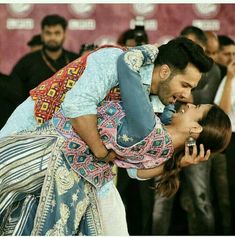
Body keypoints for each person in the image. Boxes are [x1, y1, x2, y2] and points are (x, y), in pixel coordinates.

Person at [0, 38, 213, 234]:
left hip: (83, 166)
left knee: (115, 228)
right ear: (165, 71)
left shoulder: (156, 102)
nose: (187, 95)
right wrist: (101, 152)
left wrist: (177, 162)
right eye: (185, 85)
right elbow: (78, 107)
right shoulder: (113, 59)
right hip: (35, 137)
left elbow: (133, 169)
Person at [152, 26, 223, 235]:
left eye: (192, 47)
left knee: (201, 199)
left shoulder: (212, 70)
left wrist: (186, 97)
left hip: (197, 143)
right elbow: (136, 171)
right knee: (161, 199)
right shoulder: (167, 70)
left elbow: (206, 108)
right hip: (167, 134)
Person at [10, 14, 78, 102]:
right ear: (42, 35)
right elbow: (13, 94)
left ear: (64, 34)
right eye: (48, 33)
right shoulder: (26, 63)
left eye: (57, 33)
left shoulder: (76, 61)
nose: (52, 37)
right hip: (33, 113)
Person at [214, 34, 235, 234]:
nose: (231, 59)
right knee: (229, 190)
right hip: (232, 139)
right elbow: (223, 111)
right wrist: (229, 78)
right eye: (227, 54)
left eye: (234, 54)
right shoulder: (227, 78)